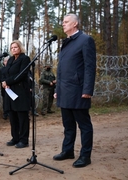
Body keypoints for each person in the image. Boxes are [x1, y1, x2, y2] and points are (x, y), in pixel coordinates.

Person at [53, 13, 96, 168]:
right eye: (63, 21)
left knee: (84, 124)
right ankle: (68, 151)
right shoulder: (66, 42)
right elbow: (61, 70)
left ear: (75, 24)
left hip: (78, 90)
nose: (63, 24)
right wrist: (58, 89)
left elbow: (90, 67)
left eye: (66, 22)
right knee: (68, 124)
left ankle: (85, 156)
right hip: (65, 90)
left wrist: (87, 90)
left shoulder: (85, 40)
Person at [1, 40, 31, 148]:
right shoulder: (10, 60)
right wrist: (4, 82)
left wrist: (8, 82)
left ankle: (24, 140)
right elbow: (4, 72)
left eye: (15, 47)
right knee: (12, 116)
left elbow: (21, 74)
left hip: (20, 91)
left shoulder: (25, 59)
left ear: (20, 48)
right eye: (12, 48)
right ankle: (15, 137)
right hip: (9, 91)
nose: (13, 49)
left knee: (22, 117)